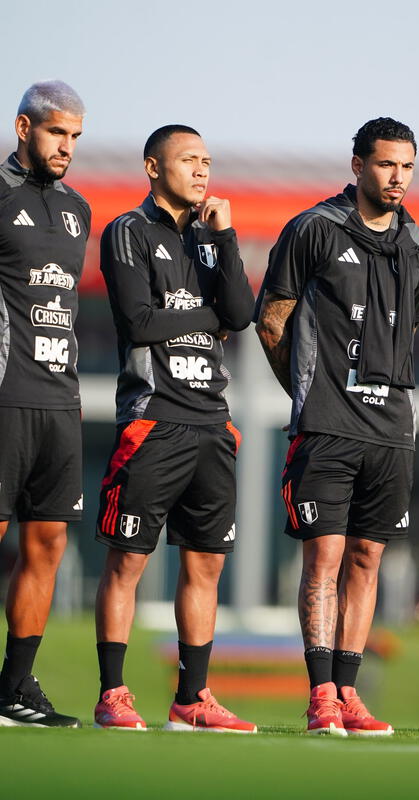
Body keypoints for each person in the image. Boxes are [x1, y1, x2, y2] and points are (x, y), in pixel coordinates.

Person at [255, 118, 419, 736]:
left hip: (392, 432)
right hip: (327, 428)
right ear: (357, 165)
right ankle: (321, 693)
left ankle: (351, 692)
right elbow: (272, 319)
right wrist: (307, 394)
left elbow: (404, 335)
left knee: (368, 559)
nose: (397, 178)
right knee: (323, 561)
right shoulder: (314, 229)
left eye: (407, 166)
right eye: (386, 165)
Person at [93, 125, 256, 732]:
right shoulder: (127, 232)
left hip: (212, 423)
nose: (201, 170)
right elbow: (139, 321)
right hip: (152, 419)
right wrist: (203, 316)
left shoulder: (212, 242)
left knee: (206, 564)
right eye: (189, 159)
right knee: (127, 561)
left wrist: (228, 237)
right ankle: (113, 693)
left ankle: (192, 699)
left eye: (207, 161)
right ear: (153, 167)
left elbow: (239, 315)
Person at [0, 81, 89, 728]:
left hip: (60, 402)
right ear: (24, 127)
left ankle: (13, 688)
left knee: (48, 544)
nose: (67, 147)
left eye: (76, 137)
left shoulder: (78, 209)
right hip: (4, 397)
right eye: (58, 133)